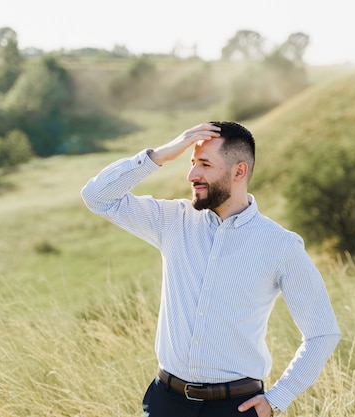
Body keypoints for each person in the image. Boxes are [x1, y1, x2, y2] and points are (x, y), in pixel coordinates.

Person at [81, 121, 341, 417]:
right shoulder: (173, 221)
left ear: (239, 171)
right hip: (165, 403)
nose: (192, 175)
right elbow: (97, 197)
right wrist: (162, 154)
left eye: (204, 164)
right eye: (192, 163)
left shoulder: (280, 245)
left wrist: (278, 397)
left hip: (236, 407)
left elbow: (322, 332)